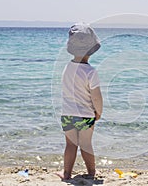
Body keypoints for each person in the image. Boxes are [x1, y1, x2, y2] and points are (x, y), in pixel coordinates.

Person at [56, 23, 103, 180]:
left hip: (67, 114)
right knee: (86, 145)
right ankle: (91, 173)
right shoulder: (90, 72)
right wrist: (98, 112)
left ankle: (67, 173)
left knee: (70, 145)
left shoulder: (66, 68)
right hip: (85, 115)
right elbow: (96, 97)